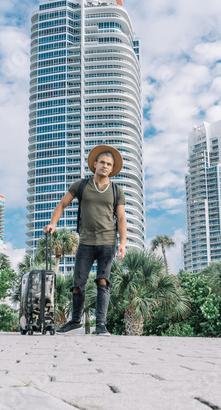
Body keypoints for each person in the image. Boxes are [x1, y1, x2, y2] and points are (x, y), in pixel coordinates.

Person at [43, 144, 127, 336]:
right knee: (78, 283)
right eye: (102, 162)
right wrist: (53, 224)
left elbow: (121, 218)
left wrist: (122, 242)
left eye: (109, 164)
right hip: (86, 242)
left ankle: (101, 326)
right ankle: (75, 321)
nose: (105, 166)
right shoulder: (81, 185)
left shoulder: (116, 190)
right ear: (95, 164)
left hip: (108, 241)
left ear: (112, 169)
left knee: (103, 281)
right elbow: (62, 204)